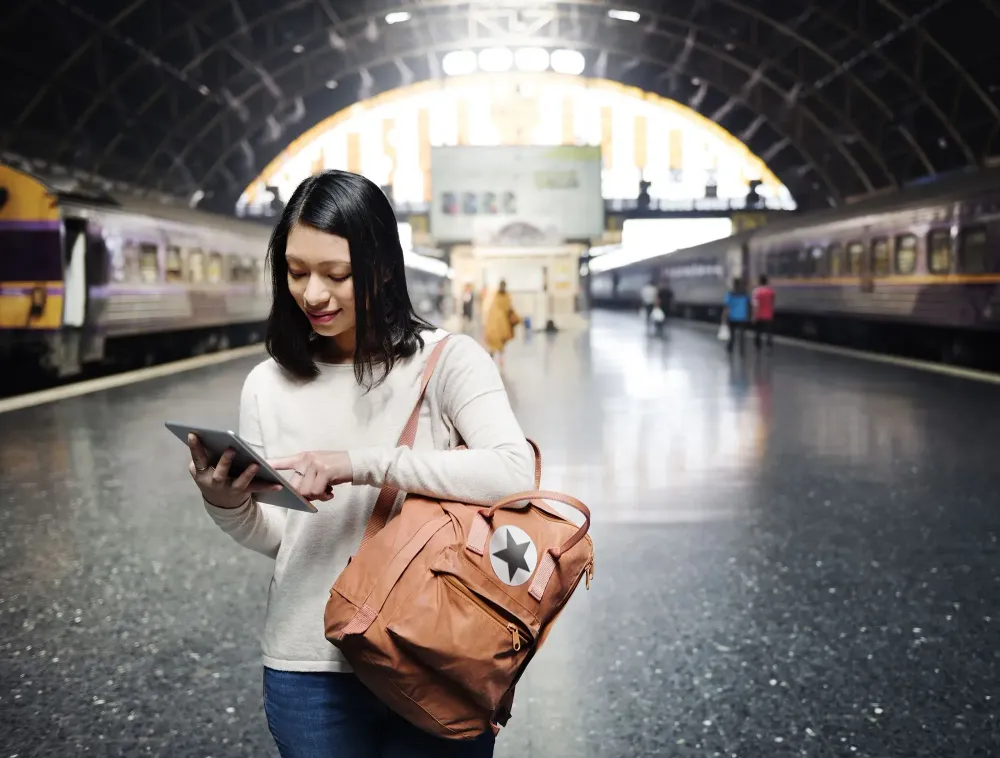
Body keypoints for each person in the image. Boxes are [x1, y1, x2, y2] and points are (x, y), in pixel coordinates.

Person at [183, 170, 535, 758]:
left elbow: (513, 472)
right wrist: (226, 502)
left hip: (436, 652)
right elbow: (283, 538)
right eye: (296, 273)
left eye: (336, 275)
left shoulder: (449, 362)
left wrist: (360, 463)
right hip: (308, 666)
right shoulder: (266, 384)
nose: (313, 294)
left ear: (382, 268)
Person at [483, 279, 520, 367]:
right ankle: (493, 361)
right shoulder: (496, 296)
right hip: (495, 323)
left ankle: (499, 361)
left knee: (501, 343)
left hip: (502, 324)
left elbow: (508, 308)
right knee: (494, 343)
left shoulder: (506, 296)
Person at [722, 277, 750, 356]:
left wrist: (724, 318)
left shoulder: (729, 294)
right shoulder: (745, 294)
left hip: (732, 317)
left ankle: (730, 349)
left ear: (733, 284)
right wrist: (749, 316)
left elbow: (726, 307)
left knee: (732, 335)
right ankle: (742, 351)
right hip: (742, 317)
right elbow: (748, 305)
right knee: (742, 336)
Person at [751, 273, 775, 350]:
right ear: (766, 281)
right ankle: (769, 346)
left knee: (758, 332)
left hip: (759, 315)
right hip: (768, 315)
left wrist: (753, 316)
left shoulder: (756, 291)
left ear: (759, 281)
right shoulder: (771, 292)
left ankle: (758, 347)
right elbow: (772, 303)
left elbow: (755, 305)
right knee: (769, 332)